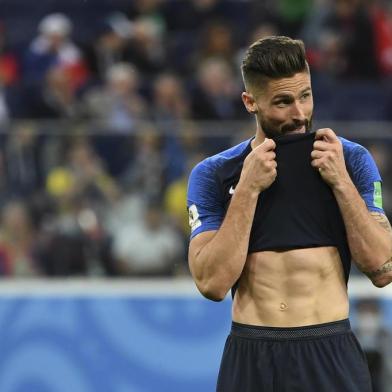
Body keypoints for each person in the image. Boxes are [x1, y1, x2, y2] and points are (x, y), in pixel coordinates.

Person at [186, 36, 392, 392]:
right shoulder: (214, 173)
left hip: (330, 350)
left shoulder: (350, 160)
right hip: (252, 354)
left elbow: (383, 268)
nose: (299, 113)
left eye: (305, 96)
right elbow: (212, 283)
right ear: (250, 101)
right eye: (283, 102)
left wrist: (340, 183)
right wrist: (248, 188)